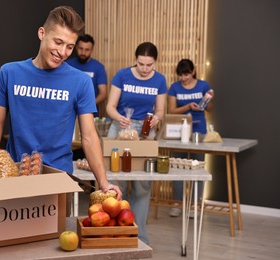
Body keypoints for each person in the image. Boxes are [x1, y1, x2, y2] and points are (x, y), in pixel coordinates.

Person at [0, 6, 122, 215]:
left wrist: (103, 182)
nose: (62, 52)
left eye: (69, 47)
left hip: (59, 180)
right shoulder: (9, 73)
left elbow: (89, 136)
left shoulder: (80, 82)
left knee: (55, 244)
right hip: (17, 176)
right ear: (42, 33)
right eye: (58, 42)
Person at [106, 42, 167, 245]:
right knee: (117, 180)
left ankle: (139, 235)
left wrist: (157, 118)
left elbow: (159, 110)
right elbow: (110, 107)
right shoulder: (122, 75)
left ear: (155, 63)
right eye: (141, 64)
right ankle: (115, 232)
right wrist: (119, 117)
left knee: (142, 183)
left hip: (146, 128)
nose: (144, 69)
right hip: (121, 126)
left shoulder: (159, 80)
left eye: (149, 65)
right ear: (136, 60)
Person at [167, 58, 214, 217]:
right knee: (177, 168)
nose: (183, 78)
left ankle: (195, 205)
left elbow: (210, 109)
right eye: (181, 75)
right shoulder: (174, 87)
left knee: (197, 169)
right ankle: (177, 204)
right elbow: (172, 110)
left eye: (186, 74)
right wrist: (188, 106)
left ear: (193, 72)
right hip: (178, 132)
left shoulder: (203, 86)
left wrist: (207, 100)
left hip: (199, 132)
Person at [66, 34, 108, 117]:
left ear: (92, 50)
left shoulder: (98, 67)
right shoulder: (67, 64)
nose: (83, 52)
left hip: (89, 113)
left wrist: (87, 105)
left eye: (87, 50)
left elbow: (103, 93)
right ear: (76, 47)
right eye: (81, 49)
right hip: (68, 111)